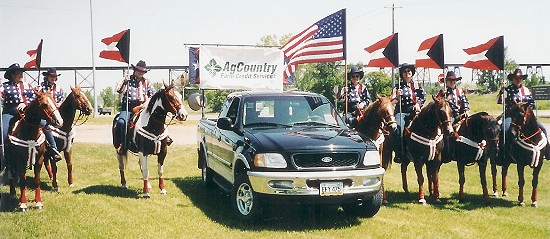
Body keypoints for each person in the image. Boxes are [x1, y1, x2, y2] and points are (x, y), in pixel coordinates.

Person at [497, 68, 550, 160]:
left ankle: (547, 152)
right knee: (504, 129)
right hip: (512, 115)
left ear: (522, 79)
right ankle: (503, 154)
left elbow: (531, 102)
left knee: (543, 129)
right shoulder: (507, 90)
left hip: (525, 115)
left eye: (520, 78)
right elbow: (499, 101)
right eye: (516, 78)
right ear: (513, 79)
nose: (518, 80)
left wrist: (527, 109)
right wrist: (502, 91)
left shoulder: (526, 90)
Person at [1, 63, 38, 168]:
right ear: (12, 74)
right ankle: (2, 157)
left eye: (21, 72)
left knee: (44, 124)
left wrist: (25, 103)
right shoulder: (5, 86)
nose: (21, 74)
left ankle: (51, 149)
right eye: (18, 72)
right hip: (9, 112)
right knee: (3, 131)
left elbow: (34, 97)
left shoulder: (27, 85)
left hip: (25, 112)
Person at [114, 60, 156, 152]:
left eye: (143, 71)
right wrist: (125, 81)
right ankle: (123, 144)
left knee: (157, 119)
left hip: (142, 107)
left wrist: (147, 104)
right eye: (139, 70)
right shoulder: (128, 79)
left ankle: (162, 139)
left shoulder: (147, 82)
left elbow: (153, 94)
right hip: (128, 107)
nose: (140, 73)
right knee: (122, 123)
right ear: (135, 70)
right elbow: (119, 90)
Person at [390, 63, 426, 162]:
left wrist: (418, 104)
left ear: (412, 73)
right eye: (404, 72)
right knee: (398, 129)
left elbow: (423, 97)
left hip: (414, 112)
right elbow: (391, 102)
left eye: (409, 71)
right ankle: (399, 153)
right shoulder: (397, 86)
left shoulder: (418, 85)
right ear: (402, 74)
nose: (407, 73)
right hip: (401, 112)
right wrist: (397, 96)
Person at [437, 71, 470, 162]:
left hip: (460, 114)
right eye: (450, 80)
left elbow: (465, 102)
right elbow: (437, 103)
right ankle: (447, 153)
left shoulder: (459, 92)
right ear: (446, 82)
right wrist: (441, 95)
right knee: (447, 131)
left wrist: (466, 110)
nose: (452, 82)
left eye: (454, 80)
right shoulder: (443, 92)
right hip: (448, 116)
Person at [40, 68, 64, 162]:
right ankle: (54, 148)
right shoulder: (41, 87)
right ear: (47, 77)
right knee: (45, 125)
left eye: (54, 76)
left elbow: (61, 100)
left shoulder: (59, 89)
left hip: (56, 113)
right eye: (51, 76)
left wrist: (59, 104)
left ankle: (67, 143)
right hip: (44, 114)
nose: (53, 78)